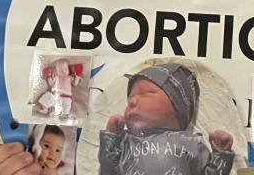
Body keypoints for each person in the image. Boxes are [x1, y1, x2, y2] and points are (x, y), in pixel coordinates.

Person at [98, 62, 235, 175]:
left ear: (177, 107)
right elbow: (108, 168)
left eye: (146, 93)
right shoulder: (126, 141)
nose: (132, 101)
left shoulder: (192, 143)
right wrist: (111, 139)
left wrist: (221, 155)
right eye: (129, 99)